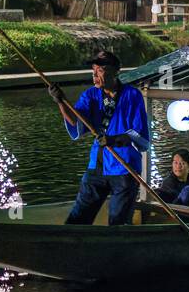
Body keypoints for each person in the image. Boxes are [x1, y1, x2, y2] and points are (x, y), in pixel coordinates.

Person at [58, 50, 150, 225]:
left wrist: (114, 140)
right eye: (93, 70)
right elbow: (76, 121)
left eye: (100, 70)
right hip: (98, 164)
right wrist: (60, 101)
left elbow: (141, 136)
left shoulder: (132, 95)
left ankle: (117, 249)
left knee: (118, 222)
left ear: (115, 72)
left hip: (124, 167)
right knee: (78, 218)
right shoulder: (90, 95)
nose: (94, 75)